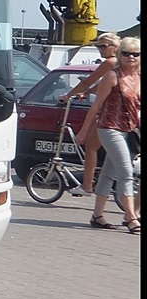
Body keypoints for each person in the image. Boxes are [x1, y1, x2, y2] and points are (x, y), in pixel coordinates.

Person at [79, 36, 140, 233]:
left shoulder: (139, 78)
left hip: (130, 130)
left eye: (135, 54)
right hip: (109, 127)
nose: (130, 57)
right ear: (120, 55)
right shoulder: (113, 76)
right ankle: (131, 217)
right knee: (126, 172)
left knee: (108, 174)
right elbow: (96, 106)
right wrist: (84, 131)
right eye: (126, 53)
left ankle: (97, 215)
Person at [59, 31, 122, 194]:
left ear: (114, 48)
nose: (100, 49)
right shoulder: (122, 63)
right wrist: (86, 93)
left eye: (103, 46)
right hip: (123, 111)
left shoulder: (110, 62)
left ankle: (87, 185)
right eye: (98, 46)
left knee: (91, 146)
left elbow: (88, 80)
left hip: (108, 110)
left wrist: (68, 95)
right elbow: (103, 85)